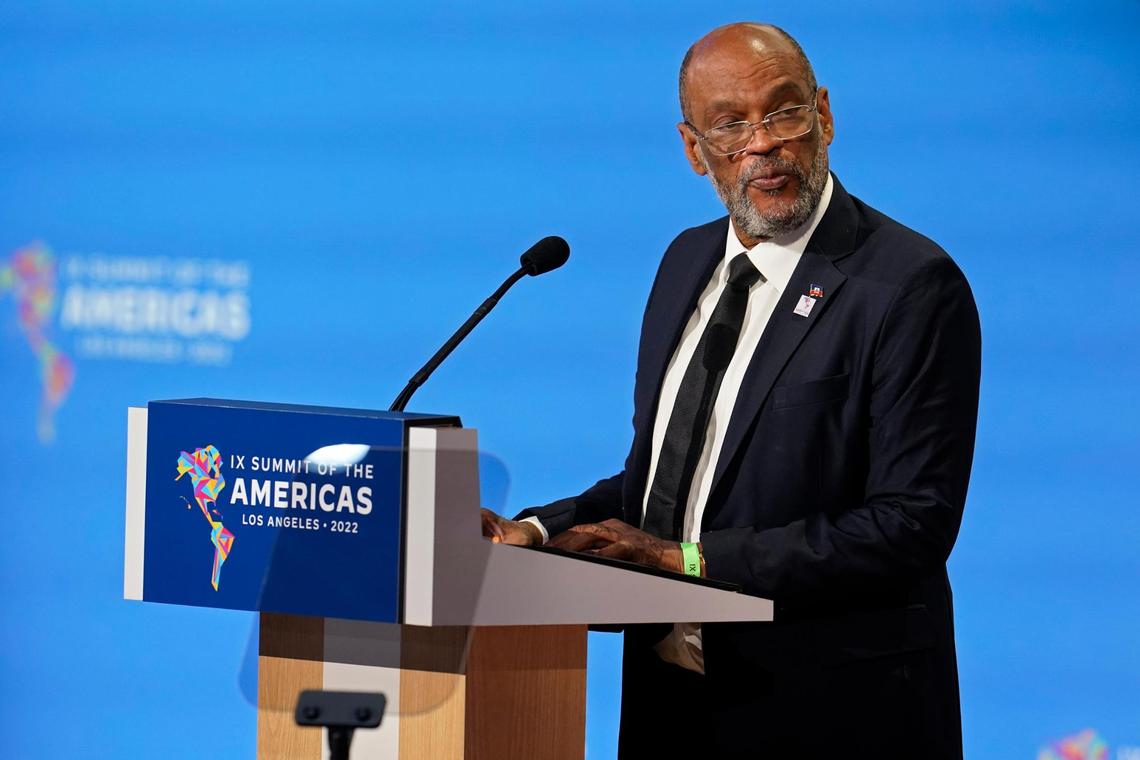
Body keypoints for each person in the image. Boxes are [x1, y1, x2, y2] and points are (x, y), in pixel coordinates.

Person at [482, 21, 980, 758]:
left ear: (825, 117)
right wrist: (533, 533)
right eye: (730, 125)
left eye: (784, 112)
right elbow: (658, 482)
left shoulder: (906, 284)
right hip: (671, 705)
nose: (763, 144)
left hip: (831, 712)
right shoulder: (686, 264)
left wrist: (687, 563)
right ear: (694, 151)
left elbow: (910, 525)